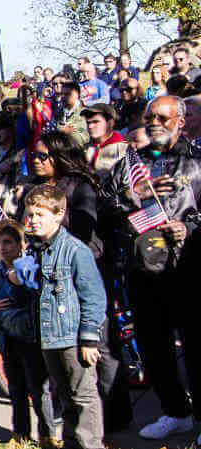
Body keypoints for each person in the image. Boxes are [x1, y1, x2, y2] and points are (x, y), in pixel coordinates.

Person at [104, 96, 201, 444]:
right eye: (149, 117)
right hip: (143, 267)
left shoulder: (197, 162)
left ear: (180, 121)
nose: (154, 122)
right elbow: (105, 204)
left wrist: (188, 229)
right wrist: (134, 194)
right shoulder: (131, 165)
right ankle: (176, 412)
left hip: (189, 268)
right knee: (153, 346)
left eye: (162, 117)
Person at [21, 184, 106, 449]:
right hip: (49, 335)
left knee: (83, 396)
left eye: (39, 215)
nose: (33, 220)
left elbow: (93, 296)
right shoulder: (37, 249)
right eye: (30, 214)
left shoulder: (75, 250)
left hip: (73, 338)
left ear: (59, 214)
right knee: (66, 397)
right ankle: (71, 443)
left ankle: (90, 444)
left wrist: (89, 339)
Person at [0, 220, 57, 449]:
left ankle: (47, 434)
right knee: (15, 390)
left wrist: (18, 285)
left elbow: (35, 297)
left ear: (19, 244)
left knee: (38, 390)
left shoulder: (27, 266)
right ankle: (20, 433)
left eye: (7, 242)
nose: (2, 248)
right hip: (6, 338)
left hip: (29, 337)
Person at [80, 104, 129, 183]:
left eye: (96, 122)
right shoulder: (85, 148)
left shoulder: (122, 150)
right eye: (88, 123)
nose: (90, 126)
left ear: (110, 123)